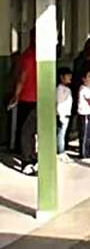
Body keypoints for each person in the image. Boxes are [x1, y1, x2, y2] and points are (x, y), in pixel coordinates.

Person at [11, 29, 37, 175]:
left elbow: (21, 78)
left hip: (31, 98)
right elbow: (22, 78)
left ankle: (31, 158)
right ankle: (27, 160)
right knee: (28, 131)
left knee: (29, 130)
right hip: (28, 98)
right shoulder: (29, 57)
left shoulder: (29, 56)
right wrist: (16, 95)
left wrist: (16, 94)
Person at [56, 67, 74, 163]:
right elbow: (58, 103)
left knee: (62, 134)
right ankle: (61, 152)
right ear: (61, 77)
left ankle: (61, 150)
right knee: (61, 134)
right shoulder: (59, 89)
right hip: (62, 115)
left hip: (66, 114)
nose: (70, 77)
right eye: (68, 76)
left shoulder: (67, 89)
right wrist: (61, 115)